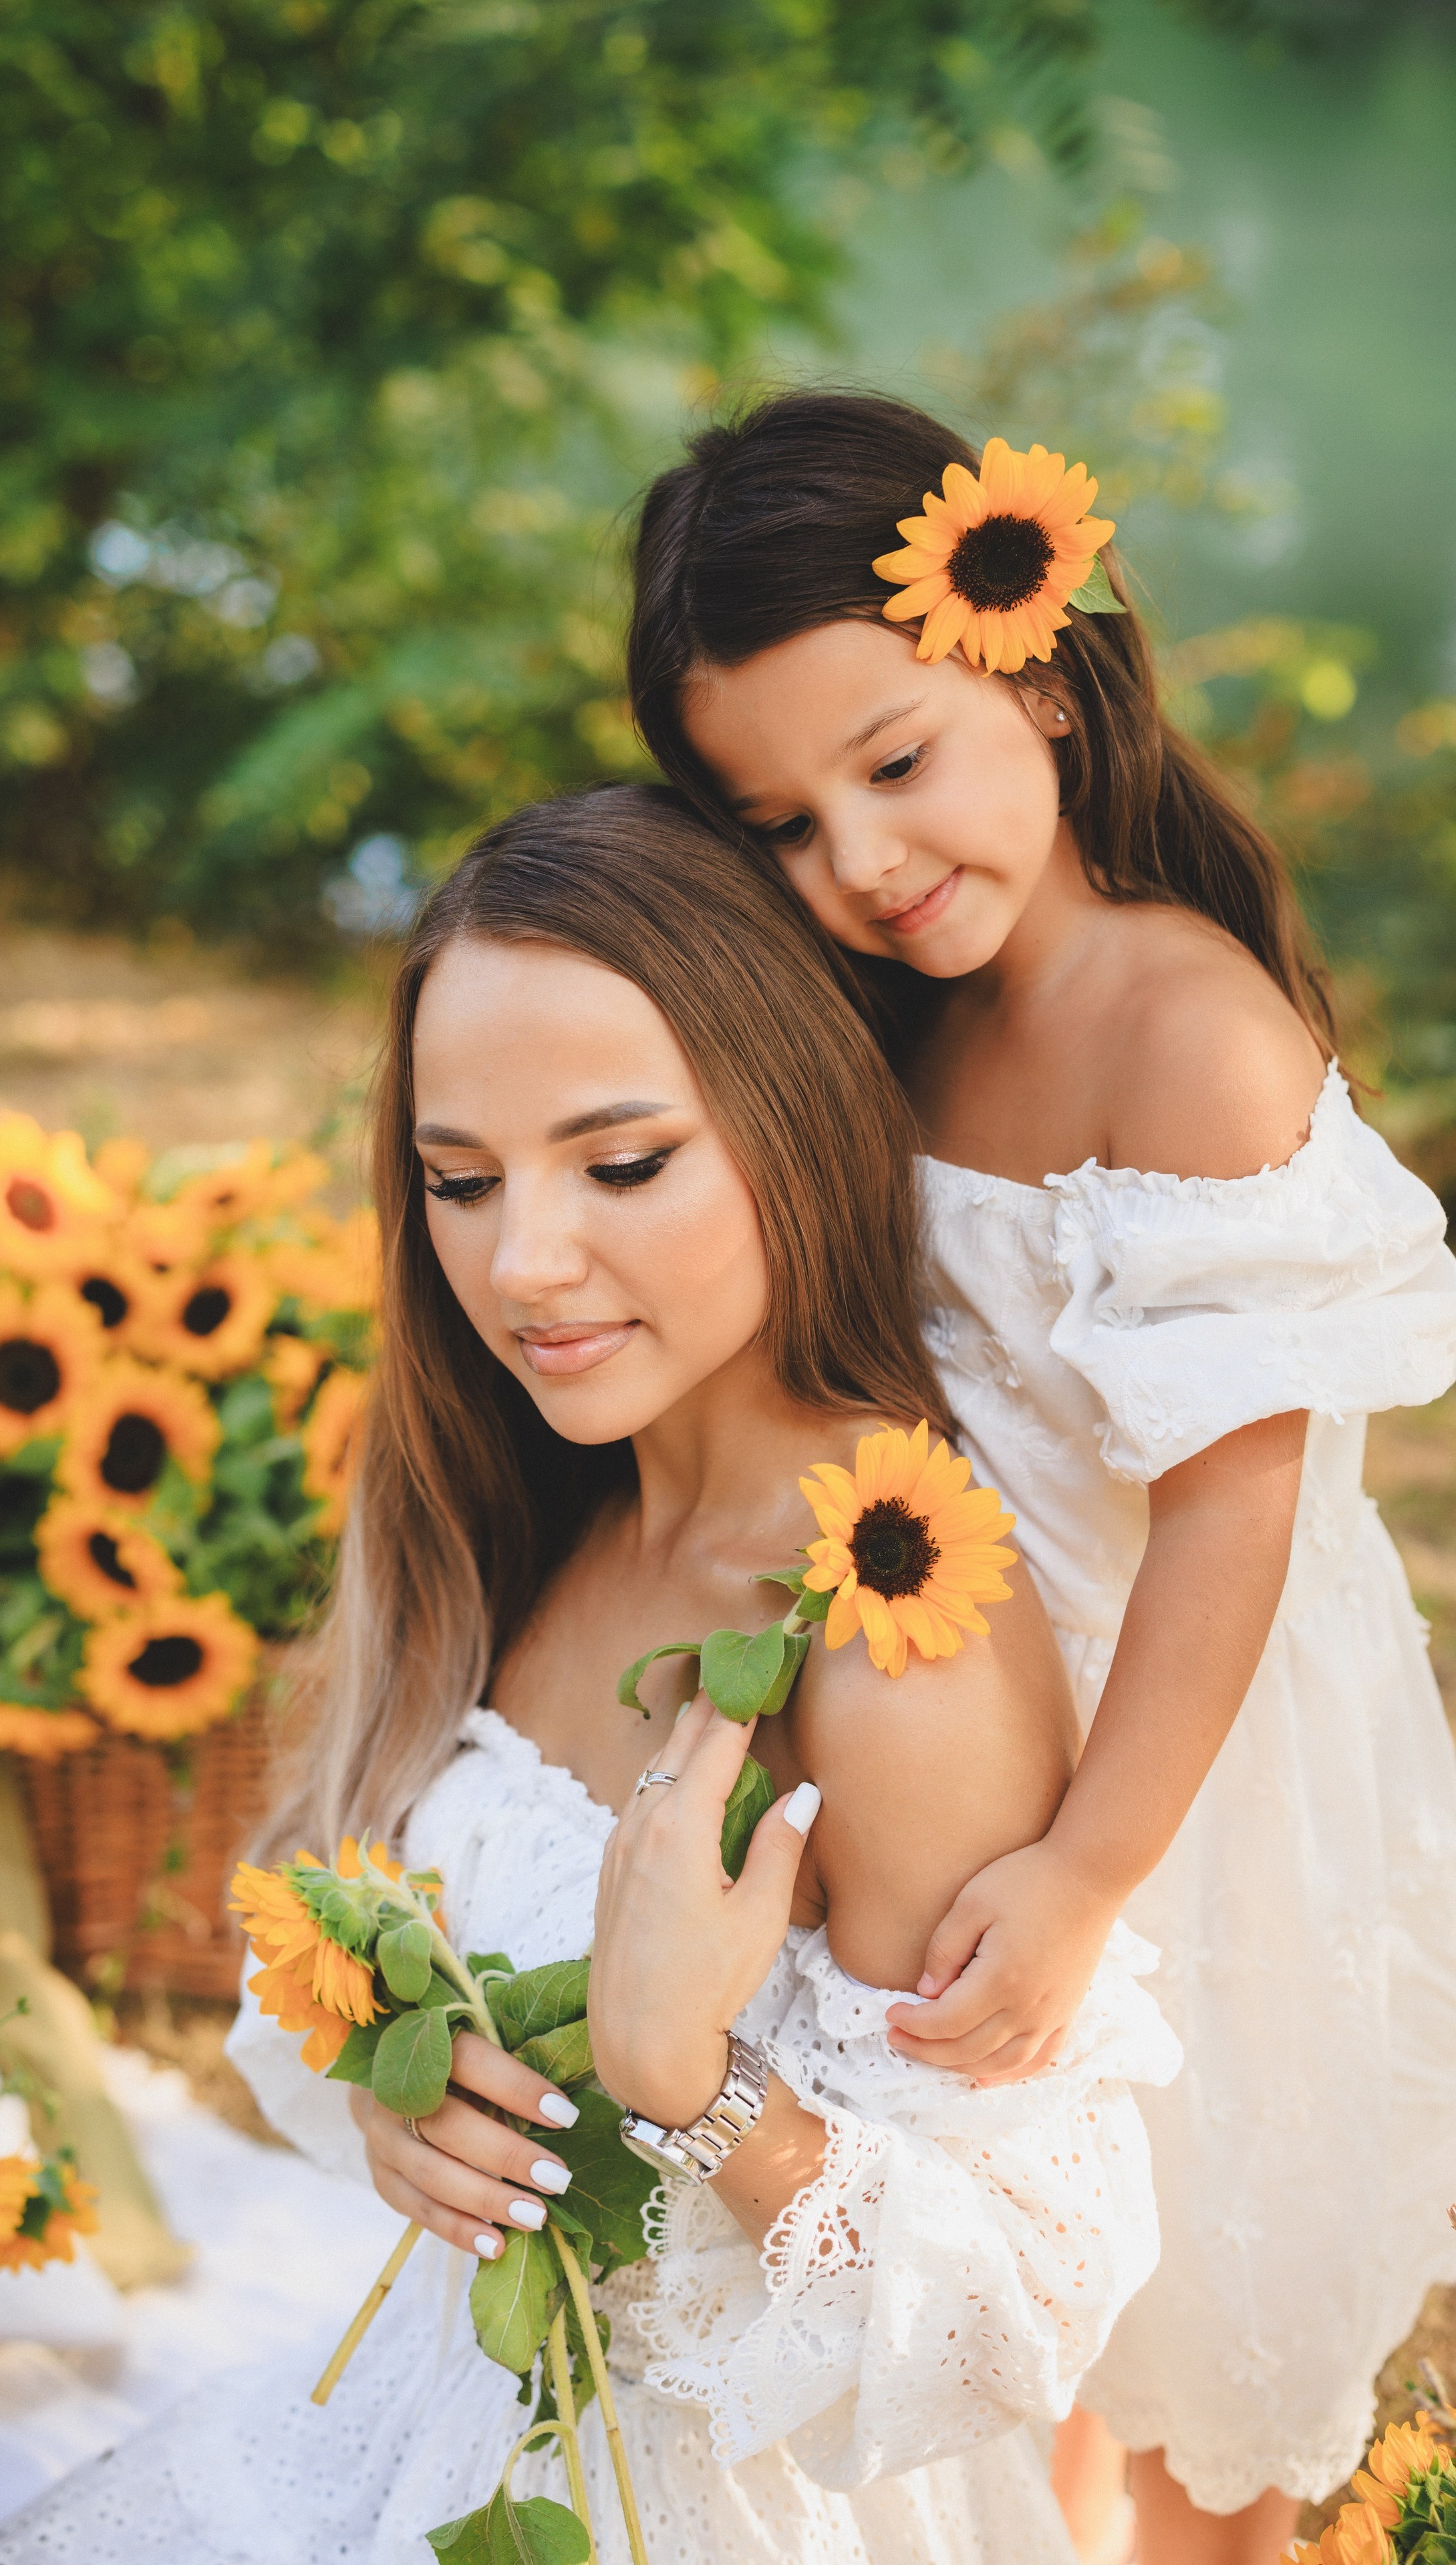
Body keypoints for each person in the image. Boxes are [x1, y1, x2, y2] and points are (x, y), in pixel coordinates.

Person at [0, 786, 1177, 2565]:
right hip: (441, 2424)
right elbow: (342, 1934)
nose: (522, 1264)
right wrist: (404, 2089)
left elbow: (1019, 2317)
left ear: (793, 1132)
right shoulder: (529, 1506)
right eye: (461, 1180)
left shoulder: (885, 1635)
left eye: (619, 1165)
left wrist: (695, 2083)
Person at [625, 388, 1456, 2565]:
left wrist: (1096, 1869)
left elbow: (1235, 1519)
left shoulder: (1184, 1034)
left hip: (1187, 1767)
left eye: (894, 765)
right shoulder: (898, 1012)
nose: (864, 866)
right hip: (994, 1728)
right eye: (782, 824)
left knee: (1197, 2299)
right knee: (1024, 2279)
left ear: (1048, 664)